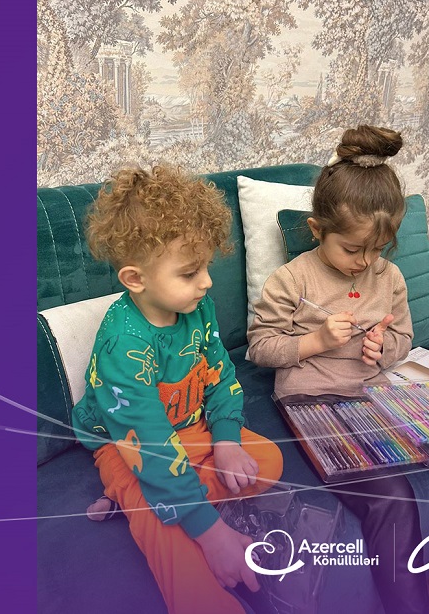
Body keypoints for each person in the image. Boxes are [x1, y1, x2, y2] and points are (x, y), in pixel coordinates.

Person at [247, 125, 429, 614]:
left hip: (379, 392)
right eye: (351, 249)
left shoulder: (390, 276)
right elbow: (260, 348)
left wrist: (383, 349)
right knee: (393, 499)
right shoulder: (291, 279)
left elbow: (403, 339)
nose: (364, 262)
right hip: (313, 400)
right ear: (317, 230)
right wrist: (316, 341)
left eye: (377, 249)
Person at [72, 165, 284, 614]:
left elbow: (220, 374)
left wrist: (226, 439)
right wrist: (211, 533)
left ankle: (160, 498)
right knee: (159, 517)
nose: (207, 282)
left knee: (267, 461)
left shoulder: (198, 308)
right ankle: (162, 513)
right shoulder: (123, 344)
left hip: (188, 428)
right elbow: (148, 442)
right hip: (125, 443)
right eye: (190, 273)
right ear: (135, 279)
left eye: (206, 266)